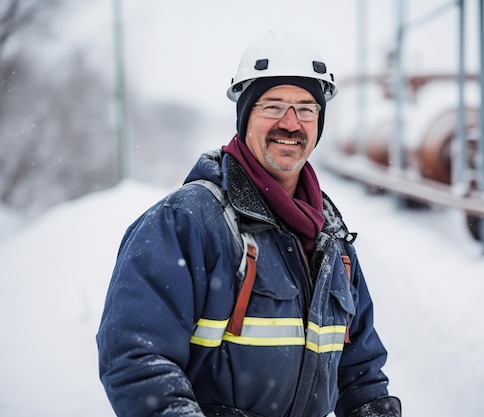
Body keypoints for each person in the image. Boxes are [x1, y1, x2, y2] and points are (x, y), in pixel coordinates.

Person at [97, 27, 401, 417]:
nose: (291, 124)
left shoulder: (331, 240)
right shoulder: (185, 222)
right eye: (273, 106)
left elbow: (361, 372)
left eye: (306, 109)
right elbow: (136, 357)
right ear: (245, 116)